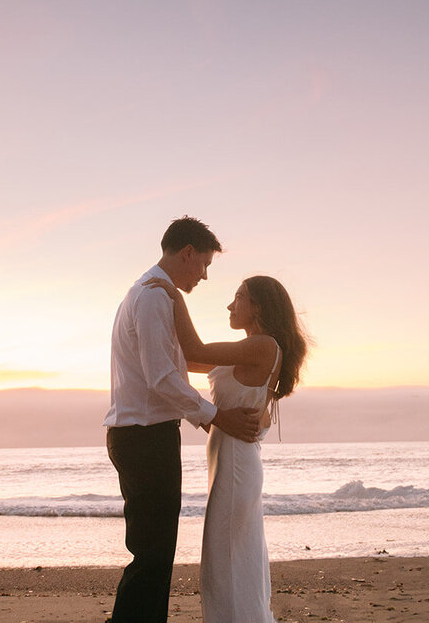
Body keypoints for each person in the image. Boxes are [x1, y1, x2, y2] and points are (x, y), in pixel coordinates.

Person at [104, 216, 261, 623]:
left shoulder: (150, 291)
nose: (205, 276)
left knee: (152, 550)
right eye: (204, 264)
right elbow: (161, 378)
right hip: (145, 436)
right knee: (153, 553)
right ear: (187, 252)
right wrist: (215, 416)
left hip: (138, 433)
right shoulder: (155, 297)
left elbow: (183, 360)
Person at [144, 272, 309, 623]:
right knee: (230, 561)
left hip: (235, 465)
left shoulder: (263, 345)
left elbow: (194, 350)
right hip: (231, 463)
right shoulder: (252, 350)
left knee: (228, 565)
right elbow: (188, 361)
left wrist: (175, 297)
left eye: (239, 297)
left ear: (259, 307)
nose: (230, 305)